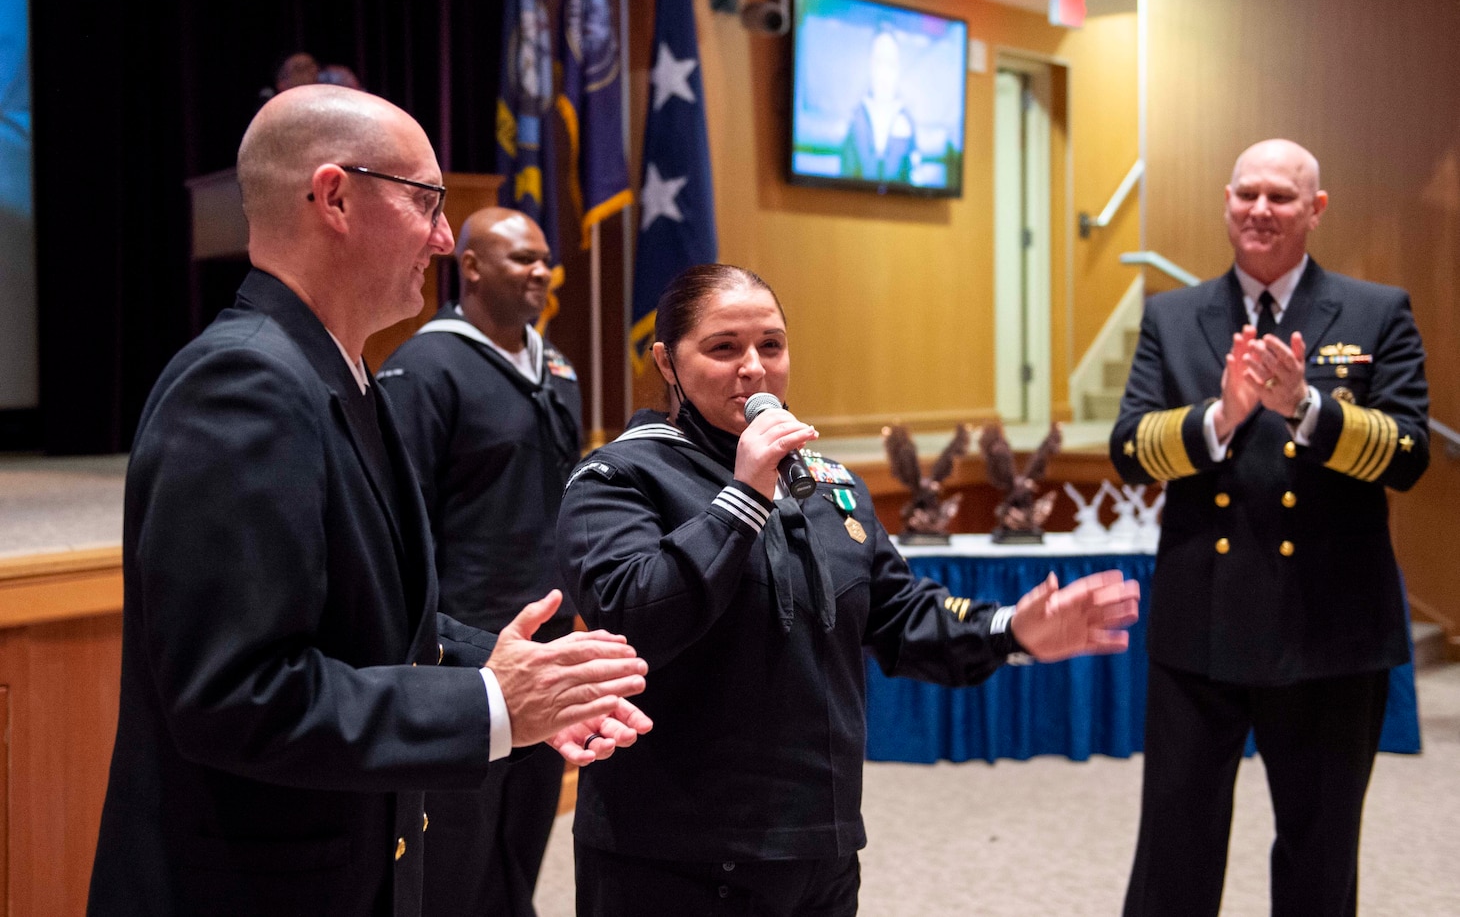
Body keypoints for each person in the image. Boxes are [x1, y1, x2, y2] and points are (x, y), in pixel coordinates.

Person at [87, 84, 651, 917]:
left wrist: (513, 671)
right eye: (427, 201)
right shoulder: (242, 384)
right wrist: (490, 704)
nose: (445, 236)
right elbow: (237, 693)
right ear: (334, 196)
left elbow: (370, 623)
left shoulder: (340, 373)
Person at [556, 263, 1141, 916]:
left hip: (819, 843)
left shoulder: (826, 482)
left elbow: (897, 612)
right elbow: (633, 614)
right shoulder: (618, 476)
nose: (754, 368)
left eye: (771, 345)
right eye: (724, 347)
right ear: (667, 362)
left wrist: (1009, 629)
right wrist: (745, 496)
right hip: (673, 851)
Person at [1112, 139, 1430, 917]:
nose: (1260, 209)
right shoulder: (1173, 315)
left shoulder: (1373, 310)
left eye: (1281, 197)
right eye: (1246, 193)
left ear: (1315, 210)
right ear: (1226, 201)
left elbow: (1410, 453)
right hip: (1201, 625)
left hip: (1330, 629)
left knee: (1320, 854)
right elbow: (1128, 449)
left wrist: (1308, 410)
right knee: (1175, 853)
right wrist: (1221, 417)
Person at [378, 206, 581, 917]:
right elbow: (401, 528)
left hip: (547, 643)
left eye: (545, 257)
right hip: (465, 654)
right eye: (521, 257)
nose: (540, 270)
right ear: (468, 266)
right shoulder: (424, 369)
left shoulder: (557, 368)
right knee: (455, 855)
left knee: (524, 839)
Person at [840, 30, 917, 184]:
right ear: (870, 65)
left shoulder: (907, 121)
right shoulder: (854, 117)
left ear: (898, 68)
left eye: (890, 63)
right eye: (879, 62)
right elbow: (845, 172)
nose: (884, 72)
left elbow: (913, 176)